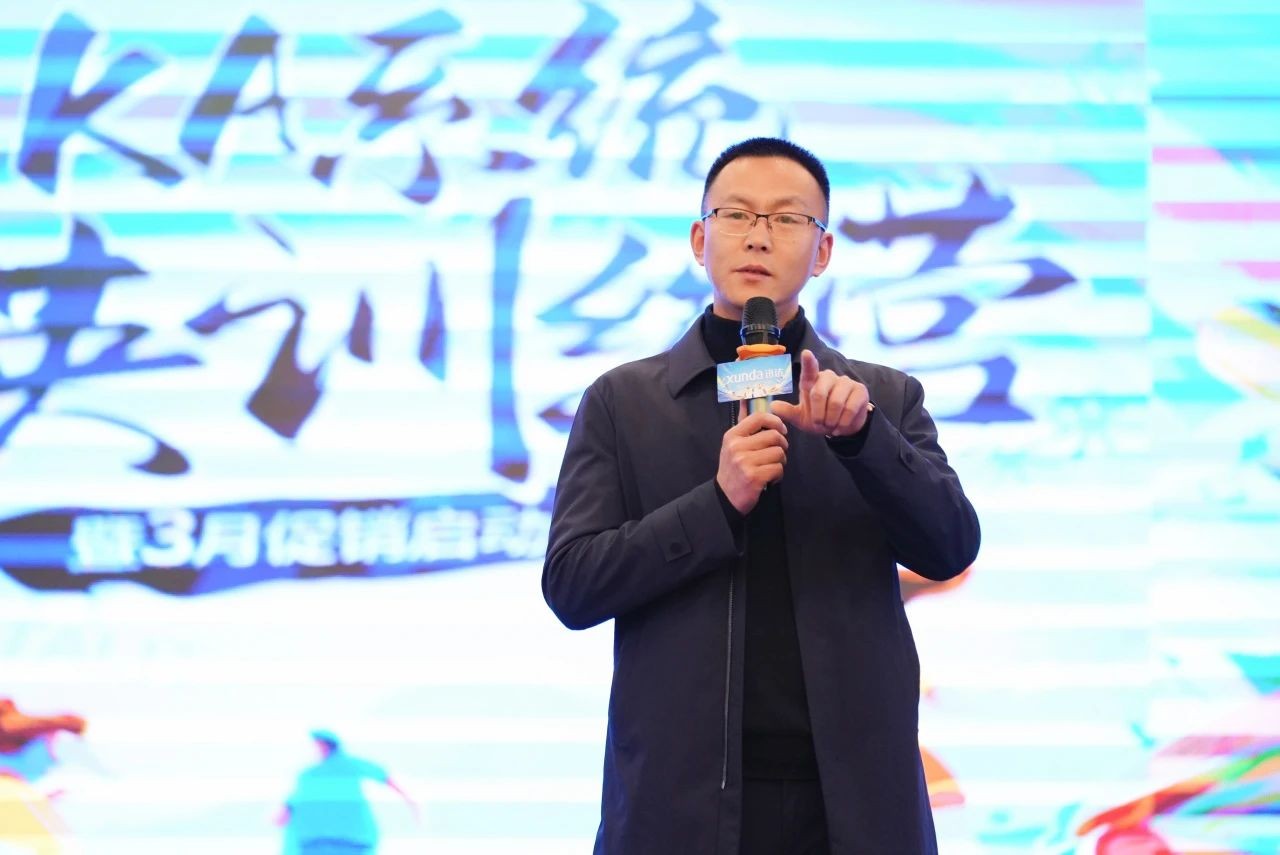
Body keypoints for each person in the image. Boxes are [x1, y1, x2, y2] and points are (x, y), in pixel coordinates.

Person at [542, 137, 980, 854]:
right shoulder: (625, 402)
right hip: (677, 807)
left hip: (854, 809)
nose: (758, 236)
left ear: (823, 250)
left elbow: (951, 546)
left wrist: (864, 441)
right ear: (699, 238)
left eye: (786, 219)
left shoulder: (882, 398)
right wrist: (716, 503)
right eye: (737, 214)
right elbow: (572, 585)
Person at [277, 729, 418, 855]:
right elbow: (294, 802)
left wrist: (409, 799)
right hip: (321, 840)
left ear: (326, 745)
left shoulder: (347, 765)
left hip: (348, 839)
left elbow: (383, 776)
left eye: (318, 745)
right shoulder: (309, 774)